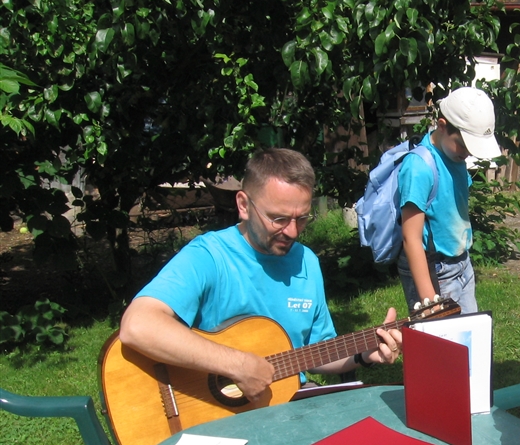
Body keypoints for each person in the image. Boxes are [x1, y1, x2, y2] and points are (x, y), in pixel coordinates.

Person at [119, 148, 402, 401]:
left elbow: (313, 354)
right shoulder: (209, 256)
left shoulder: (306, 263)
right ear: (243, 205)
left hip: (289, 405)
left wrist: (365, 354)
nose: (292, 231)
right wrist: (236, 365)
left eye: (302, 218)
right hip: (213, 419)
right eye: (278, 219)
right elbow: (138, 326)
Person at [397, 86, 501, 314]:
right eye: (464, 145)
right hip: (436, 270)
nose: (468, 153)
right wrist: (430, 302)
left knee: (470, 338)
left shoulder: (454, 156)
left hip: (461, 263)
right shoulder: (418, 168)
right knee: (444, 345)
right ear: (442, 126)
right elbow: (411, 238)